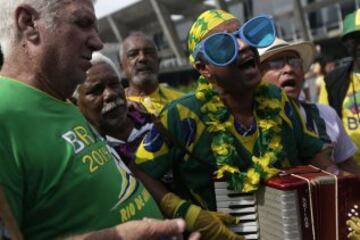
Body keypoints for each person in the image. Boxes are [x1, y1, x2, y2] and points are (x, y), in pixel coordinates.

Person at [0, 1, 200, 239]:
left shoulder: (61, 101)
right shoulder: (5, 116)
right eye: (83, 23)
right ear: (29, 23)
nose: (98, 42)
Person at [133, 9, 338, 239]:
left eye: (245, 35)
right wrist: (188, 214)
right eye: (223, 45)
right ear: (203, 68)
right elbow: (140, 172)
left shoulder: (278, 99)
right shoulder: (180, 115)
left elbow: (315, 154)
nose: (242, 46)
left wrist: (342, 189)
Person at [259, 38, 360, 174]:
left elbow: (348, 166)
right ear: (258, 76)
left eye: (294, 62)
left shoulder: (326, 114)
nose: (288, 69)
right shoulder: (251, 124)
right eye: (276, 63)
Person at [74, 52, 153, 165]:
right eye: (96, 90)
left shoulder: (153, 120)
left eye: (114, 84)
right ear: (75, 103)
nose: (110, 94)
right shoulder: (85, 156)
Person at [318, 8, 360, 162]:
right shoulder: (332, 82)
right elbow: (325, 128)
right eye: (354, 40)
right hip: (352, 172)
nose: (359, 45)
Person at [119, 32, 183, 116]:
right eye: (133, 54)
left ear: (158, 61)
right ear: (122, 67)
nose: (143, 58)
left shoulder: (183, 102)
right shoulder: (119, 109)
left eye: (149, 52)